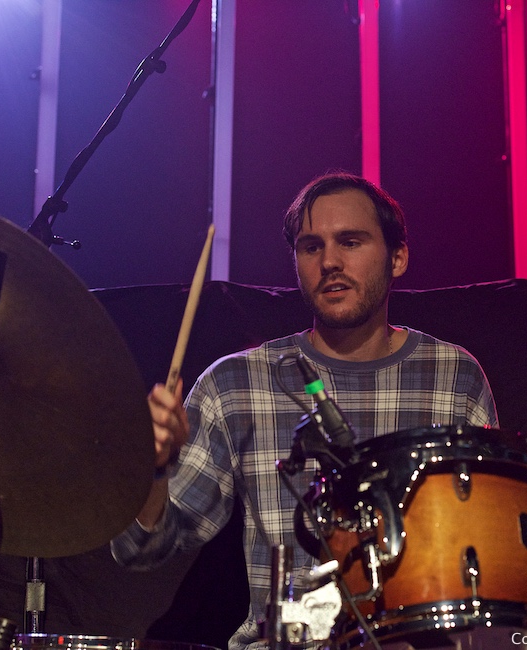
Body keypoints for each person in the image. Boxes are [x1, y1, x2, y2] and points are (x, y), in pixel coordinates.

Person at [111, 172, 499, 649]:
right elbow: (141, 549)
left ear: (397, 257)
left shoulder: (454, 375)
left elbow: (485, 557)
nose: (330, 262)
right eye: (311, 247)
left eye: (350, 242)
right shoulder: (236, 384)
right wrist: (152, 468)